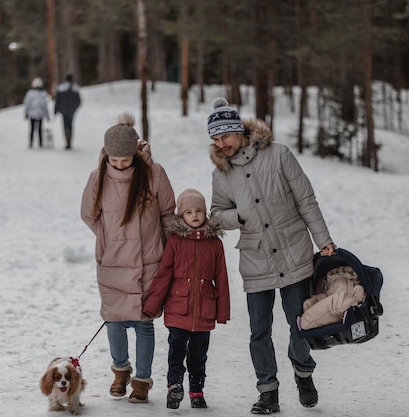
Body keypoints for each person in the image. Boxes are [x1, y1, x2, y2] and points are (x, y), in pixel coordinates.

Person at [206, 98, 337, 414]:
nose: (221, 143)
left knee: (301, 323)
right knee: (259, 331)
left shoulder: (279, 154)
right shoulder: (221, 174)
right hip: (255, 258)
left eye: (225, 136)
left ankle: (303, 371)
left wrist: (325, 241)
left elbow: (306, 200)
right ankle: (268, 392)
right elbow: (216, 214)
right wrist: (236, 218)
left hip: (294, 251)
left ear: (239, 130)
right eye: (215, 139)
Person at [80, 112, 176, 404]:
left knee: (145, 322)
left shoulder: (153, 173)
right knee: (114, 321)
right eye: (115, 160)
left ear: (135, 152)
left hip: (148, 261)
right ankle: (120, 370)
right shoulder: (98, 177)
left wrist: (164, 246)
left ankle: (142, 380)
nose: (120, 164)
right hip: (112, 261)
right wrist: (109, 238)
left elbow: (168, 213)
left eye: (125, 159)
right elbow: (88, 214)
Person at [143, 188, 230, 410]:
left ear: (205, 214)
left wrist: (222, 311)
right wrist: (153, 304)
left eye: (199, 211)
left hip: (204, 309)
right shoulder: (175, 241)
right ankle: (174, 387)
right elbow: (164, 274)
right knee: (176, 350)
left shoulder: (215, 243)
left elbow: (221, 278)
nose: (194, 215)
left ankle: (197, 390)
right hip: (178, 308)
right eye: (189, 211)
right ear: (181, 216)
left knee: (199, 355)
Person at [300, 265, 365, 330]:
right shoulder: (330, 285)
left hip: (344, 305)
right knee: (311, 305)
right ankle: (307, 319)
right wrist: (316, 299)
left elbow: (358, 297)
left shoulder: (354, 285)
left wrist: (353, 302)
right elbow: (326, 296)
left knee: (306, 321)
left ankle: (306, 321)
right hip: (335, 303)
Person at [54, 73, 81, 150]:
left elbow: (57, 101)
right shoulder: (75, 88)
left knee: (65, 125)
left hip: (63, 110)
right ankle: (70, 142)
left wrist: (56, 109)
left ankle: (67, 142)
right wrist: (74, 108)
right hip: (72, 110)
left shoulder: (61, 87)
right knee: (71, 125)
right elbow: (79, 101)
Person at [23, 77, 50, 148]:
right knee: (40, 129)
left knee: (32, 129)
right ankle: (40, 143)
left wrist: (26, 113)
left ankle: (31, 143)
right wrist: (47, 115)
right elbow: (45, 106)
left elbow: (27, 104)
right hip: (40, 114)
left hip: (32, 114)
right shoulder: (43, 94)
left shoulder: (30, 93)